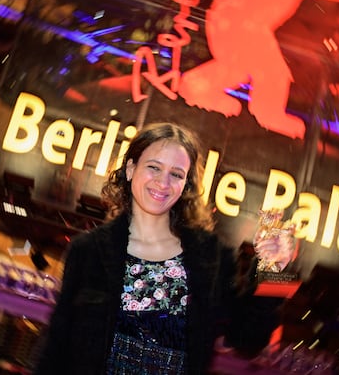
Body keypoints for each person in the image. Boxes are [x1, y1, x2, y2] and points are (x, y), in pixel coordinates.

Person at [35, 122, 295, 374]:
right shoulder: (88, 251)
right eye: (154, 168)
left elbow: (248, 341)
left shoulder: (212, 258)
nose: (163, 182)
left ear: (185, 186)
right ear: (130, 169)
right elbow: (55, 348)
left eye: (176, 174)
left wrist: (276, 272)